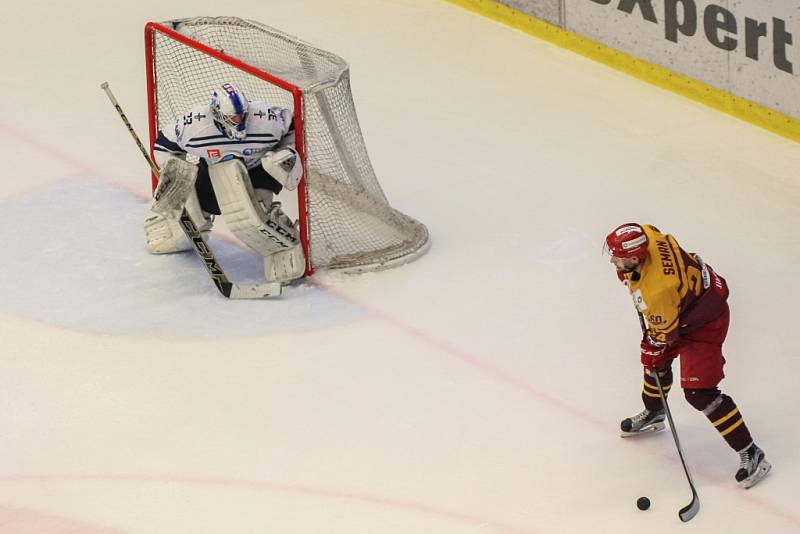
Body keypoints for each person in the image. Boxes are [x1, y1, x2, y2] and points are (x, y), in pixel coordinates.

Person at [605, 223, 771, 489]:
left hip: (705, 320)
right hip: (686, 303)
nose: (613, 260)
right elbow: (655, 234)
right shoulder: (647, 233)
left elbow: (665, 334)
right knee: (655, 365)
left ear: (636, 257)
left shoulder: (657, 291)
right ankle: (654, 412)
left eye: (618, 257)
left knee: (699, 392)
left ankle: (752, 453)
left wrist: (652, 346)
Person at [144, 81, 305, 283]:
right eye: (232, 117)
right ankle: (179, 230)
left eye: (242, 115)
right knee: (193, 215)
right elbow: (164, 144)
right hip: (215, 171)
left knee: (257, 212)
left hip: (257, 170)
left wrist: (285, 153)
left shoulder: (266, 118)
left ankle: (283, 243)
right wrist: (175, 176)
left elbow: (293, 126)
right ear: (217, 114)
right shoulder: (195, 125)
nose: (239, 121)